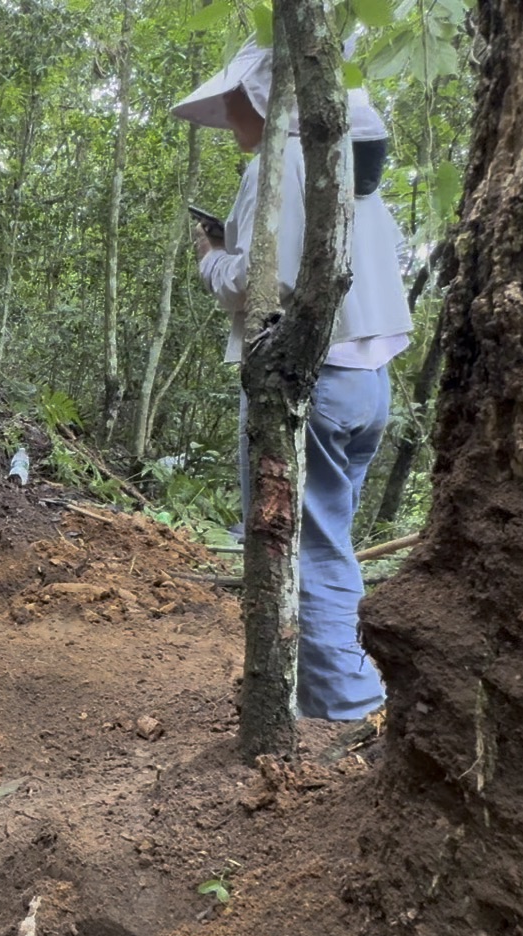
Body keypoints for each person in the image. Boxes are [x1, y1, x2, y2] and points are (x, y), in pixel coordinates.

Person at [172, 41, 413, 727]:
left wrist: (212, 259)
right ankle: (339, 700)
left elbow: (260, 283)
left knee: (304, 548)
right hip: (367, 381)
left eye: (232, 98)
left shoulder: (275, 167)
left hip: (309, 379)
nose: (225, 113)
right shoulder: (347, 166)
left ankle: (345, 711)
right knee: (327, 540)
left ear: (262, 97)